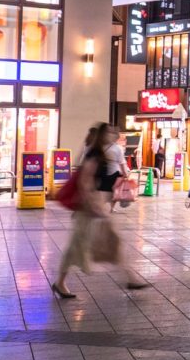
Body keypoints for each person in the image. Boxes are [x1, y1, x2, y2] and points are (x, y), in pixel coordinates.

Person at [53, 123, 149, 297]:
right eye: (110, 132)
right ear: (104, 135)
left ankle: (131, 278)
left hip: (95, 206)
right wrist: (92, 205)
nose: (114, 134)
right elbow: (85, 182)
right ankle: (60, 282)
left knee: (114, 241)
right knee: (77, 247)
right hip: (89, 208)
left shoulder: (101, 152)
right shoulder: (95, 154)